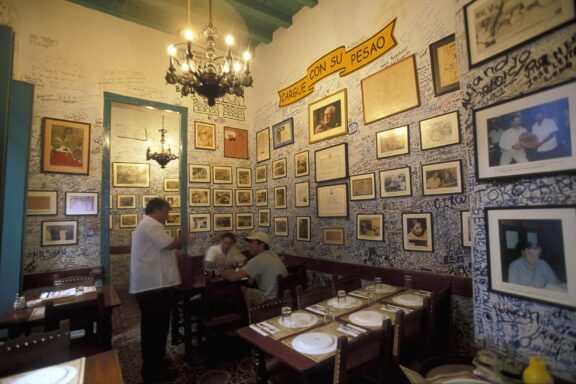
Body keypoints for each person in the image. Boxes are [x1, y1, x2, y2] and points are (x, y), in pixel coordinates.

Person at [130, 198, 185, 383]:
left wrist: (174, 252)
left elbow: (160, 249)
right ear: (157, 210)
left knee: (155, 329)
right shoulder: (151, 225)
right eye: (166, 212)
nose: (167, 216)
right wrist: (184, 238)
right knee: (156, 330)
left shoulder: (148, 225)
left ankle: (157, 363)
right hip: (153, 288)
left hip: (153, 287)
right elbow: (168, 244)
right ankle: (152, 372)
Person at [219, 232, 287, 306]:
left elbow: (233, 277)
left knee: (238, 288)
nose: (248, 245)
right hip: (283, 299)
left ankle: (244, 315)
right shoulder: (274, 255)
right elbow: (251, 281)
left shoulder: (259, 259)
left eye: (251, 242)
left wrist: (220, 272)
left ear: (262, 244)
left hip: (268, 300)